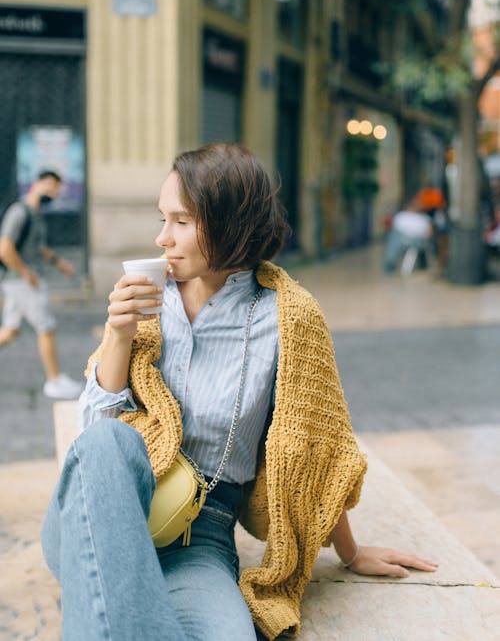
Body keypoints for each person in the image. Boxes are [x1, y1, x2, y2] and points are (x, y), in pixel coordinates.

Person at [41, 144, 438, 641]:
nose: (162, 238)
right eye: (162, 219)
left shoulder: (289, 318)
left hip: (200, 535)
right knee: (110, 444)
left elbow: (314, 450)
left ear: (230, 222)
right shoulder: (145, 299)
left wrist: (351, 552)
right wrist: (119, 335)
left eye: (180, 222)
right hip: (99, 513)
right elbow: (93, 436)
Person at [0, 170, 83, 399]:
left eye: (56, 189)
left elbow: (37, 247)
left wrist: (59, 263)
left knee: (10, 331)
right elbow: (4, 248)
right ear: (36, 184)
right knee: (46, 327)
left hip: (22, 280)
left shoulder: (35, 213)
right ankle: (54, 381)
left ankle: (55, 380)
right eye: (50, 185)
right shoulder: (19, 212)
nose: (53, 192)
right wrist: (26, 274)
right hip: (21, 281)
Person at [382, 199, 433, 273]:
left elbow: (428, 234)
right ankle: (391, 263)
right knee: (394, 239)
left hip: (411, 242)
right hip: (408, 241)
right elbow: (428, 234)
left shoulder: (421, 218)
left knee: (393, 240)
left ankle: (390, 265)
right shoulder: (403, 216)